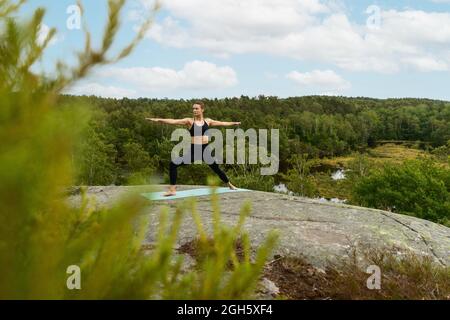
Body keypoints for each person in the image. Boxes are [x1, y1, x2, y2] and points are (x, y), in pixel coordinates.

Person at [146, 101, 239, 196]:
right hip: (194, 151)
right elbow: (173, 121)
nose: (194, 110)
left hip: (205, 150)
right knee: (173, 164)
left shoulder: (208, 121)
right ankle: (172, 190)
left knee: (216, 169)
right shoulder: (189, 121)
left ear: (202, 109)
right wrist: (158, 120)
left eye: (196, 108)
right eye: (193, 109)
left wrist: (233, 123)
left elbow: (222, 123)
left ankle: (230, 185)